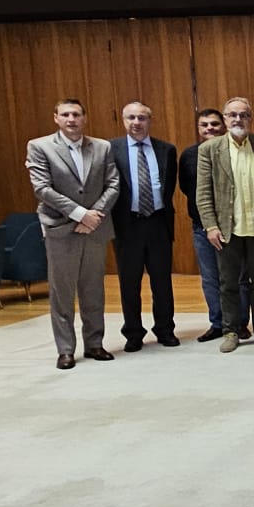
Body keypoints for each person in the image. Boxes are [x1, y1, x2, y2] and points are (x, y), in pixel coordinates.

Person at [27, 98, 120, 369]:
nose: (71, 119)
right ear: (56, 118)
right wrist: (80, 214)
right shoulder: (40, 146)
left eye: (76, 114)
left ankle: (95, 344)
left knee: (93, 290)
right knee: (62, 293)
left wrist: (94, 216)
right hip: (61, 229)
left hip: (95, 228)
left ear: (84, 118)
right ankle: (66, 349)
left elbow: (113, 184)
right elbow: (42, 188)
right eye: (66, 114)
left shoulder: (102, 147)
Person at [196, 97, 254, 353]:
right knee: (228, 283)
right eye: (232, 115)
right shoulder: (210, 149)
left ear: (250, 118)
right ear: (225, 119)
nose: (238, 119)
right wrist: (210, 226)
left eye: (243, 115)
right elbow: (203, 193)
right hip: (226, 229)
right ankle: (231, 330)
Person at [109, 100, 178, 351]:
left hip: (158, 222)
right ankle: (133, 333)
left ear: (150, 121)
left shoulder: (166, 149)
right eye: (131, 118)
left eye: (142, 118)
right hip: (127, 225)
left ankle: (165, 329)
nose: (136, 123)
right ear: (123, 120)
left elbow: (169, 187)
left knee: (162, 282)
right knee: (129, 283)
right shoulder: (111, 149)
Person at [179, 108, 248, 342]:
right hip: (202, 227)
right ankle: (218, 323)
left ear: (224, 125)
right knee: (211, 278)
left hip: (234, 226)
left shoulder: (237, 151)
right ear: (199, 129)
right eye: (204, 125)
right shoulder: (189, 155)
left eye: (215, 124)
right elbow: (186, 188)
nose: (210, 128)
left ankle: (240, 323)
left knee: (238, 278)